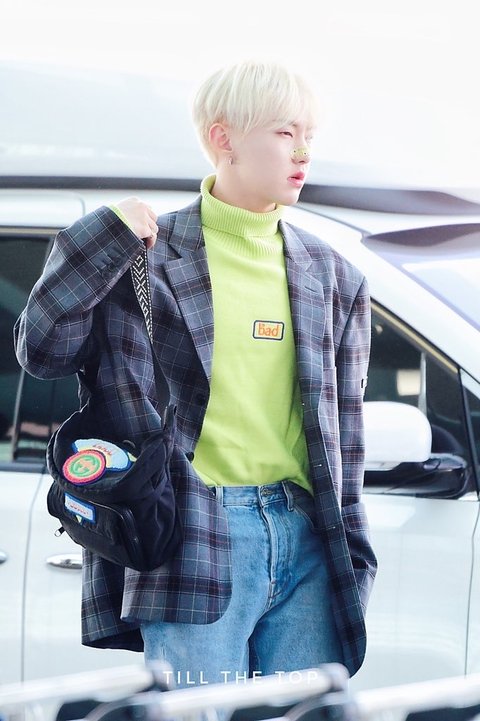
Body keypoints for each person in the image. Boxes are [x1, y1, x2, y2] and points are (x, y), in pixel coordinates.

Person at [14, 60, 377, 686]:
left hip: (309, 535)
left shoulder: (334, 276)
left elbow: (346, 440)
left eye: (310, 135)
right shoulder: (143, 255)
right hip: (196, 529)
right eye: (286, 133)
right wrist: (102, 236)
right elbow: (42, 351)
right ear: (223, 138)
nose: (304, 153)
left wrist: (355, 555)